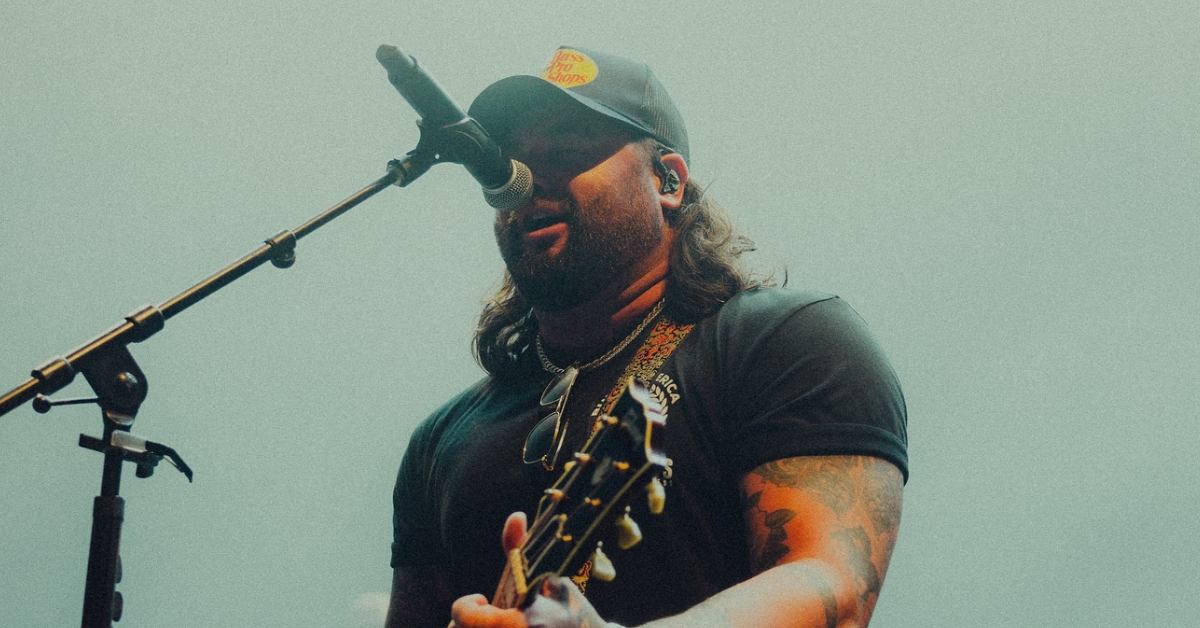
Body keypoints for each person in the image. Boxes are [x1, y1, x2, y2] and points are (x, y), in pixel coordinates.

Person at [385, 46, 908, 628]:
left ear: (668, 181)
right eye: (508, 163)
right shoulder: (440, 439)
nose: (522, 183)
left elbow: (833, 586)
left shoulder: (785, 341)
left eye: (566, 152)